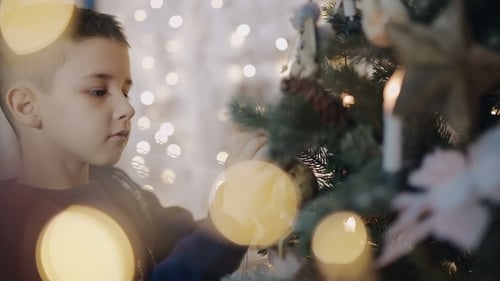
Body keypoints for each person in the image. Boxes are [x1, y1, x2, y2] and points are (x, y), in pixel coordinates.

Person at [0, 6, 268, 281]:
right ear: (27, 106)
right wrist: (230, 219)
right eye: (98, 91)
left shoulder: (119, 187)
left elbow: (192, 242)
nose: (127, 109)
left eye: (125, 92)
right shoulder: (11, 226)